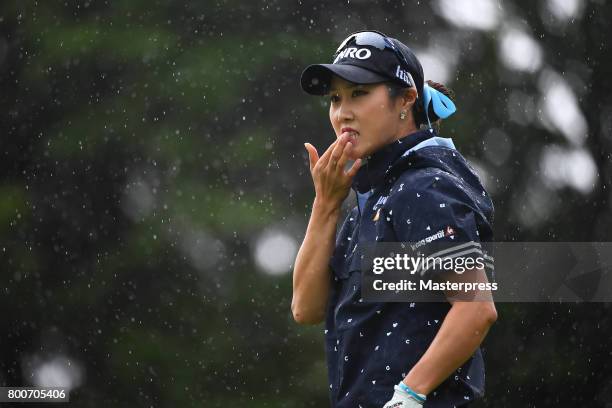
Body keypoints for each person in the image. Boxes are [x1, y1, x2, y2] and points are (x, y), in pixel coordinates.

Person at [291, 30, 498, 408]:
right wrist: (325, 204)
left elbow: (476, 307)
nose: (342, 112)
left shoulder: (424, 186)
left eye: (359, 93)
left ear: (406, 100)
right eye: (336, 98)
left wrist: (409, 394)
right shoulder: (371, 199)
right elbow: (306, 307)